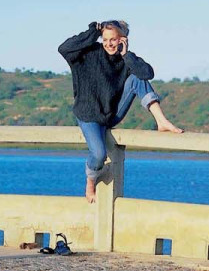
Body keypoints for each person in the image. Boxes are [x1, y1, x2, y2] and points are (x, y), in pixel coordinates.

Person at [58, 20, 183, 203]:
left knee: (136, 79)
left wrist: (127, 56)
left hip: (111, 113)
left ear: (122, 40)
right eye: (106, 39)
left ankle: (161, 121)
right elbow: (64, 48)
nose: (109, 43)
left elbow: (147, 74)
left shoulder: (126, 60)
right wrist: (93, 31)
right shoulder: (87, 53)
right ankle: (90, 181)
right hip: (88, 115)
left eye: (114, 40)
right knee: (99, 154)